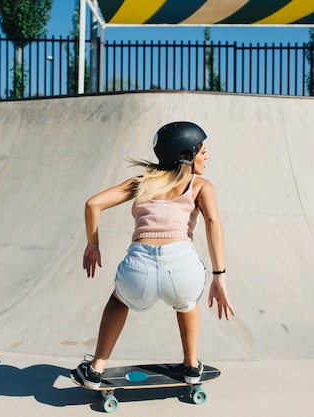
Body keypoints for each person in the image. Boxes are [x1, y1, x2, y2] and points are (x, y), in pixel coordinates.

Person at [75, 121, 235, 388]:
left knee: (118, 302)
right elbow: (213, 223)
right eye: (202, 150)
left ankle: (95, 369)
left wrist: (93, 245)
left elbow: (93, 204)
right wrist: (219, 277)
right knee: (187, 303)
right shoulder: (201, 186)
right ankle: (192, 367)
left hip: (139, 269)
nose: (206, 156)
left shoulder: (142, 182)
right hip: (182, 269)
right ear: (186, 155)